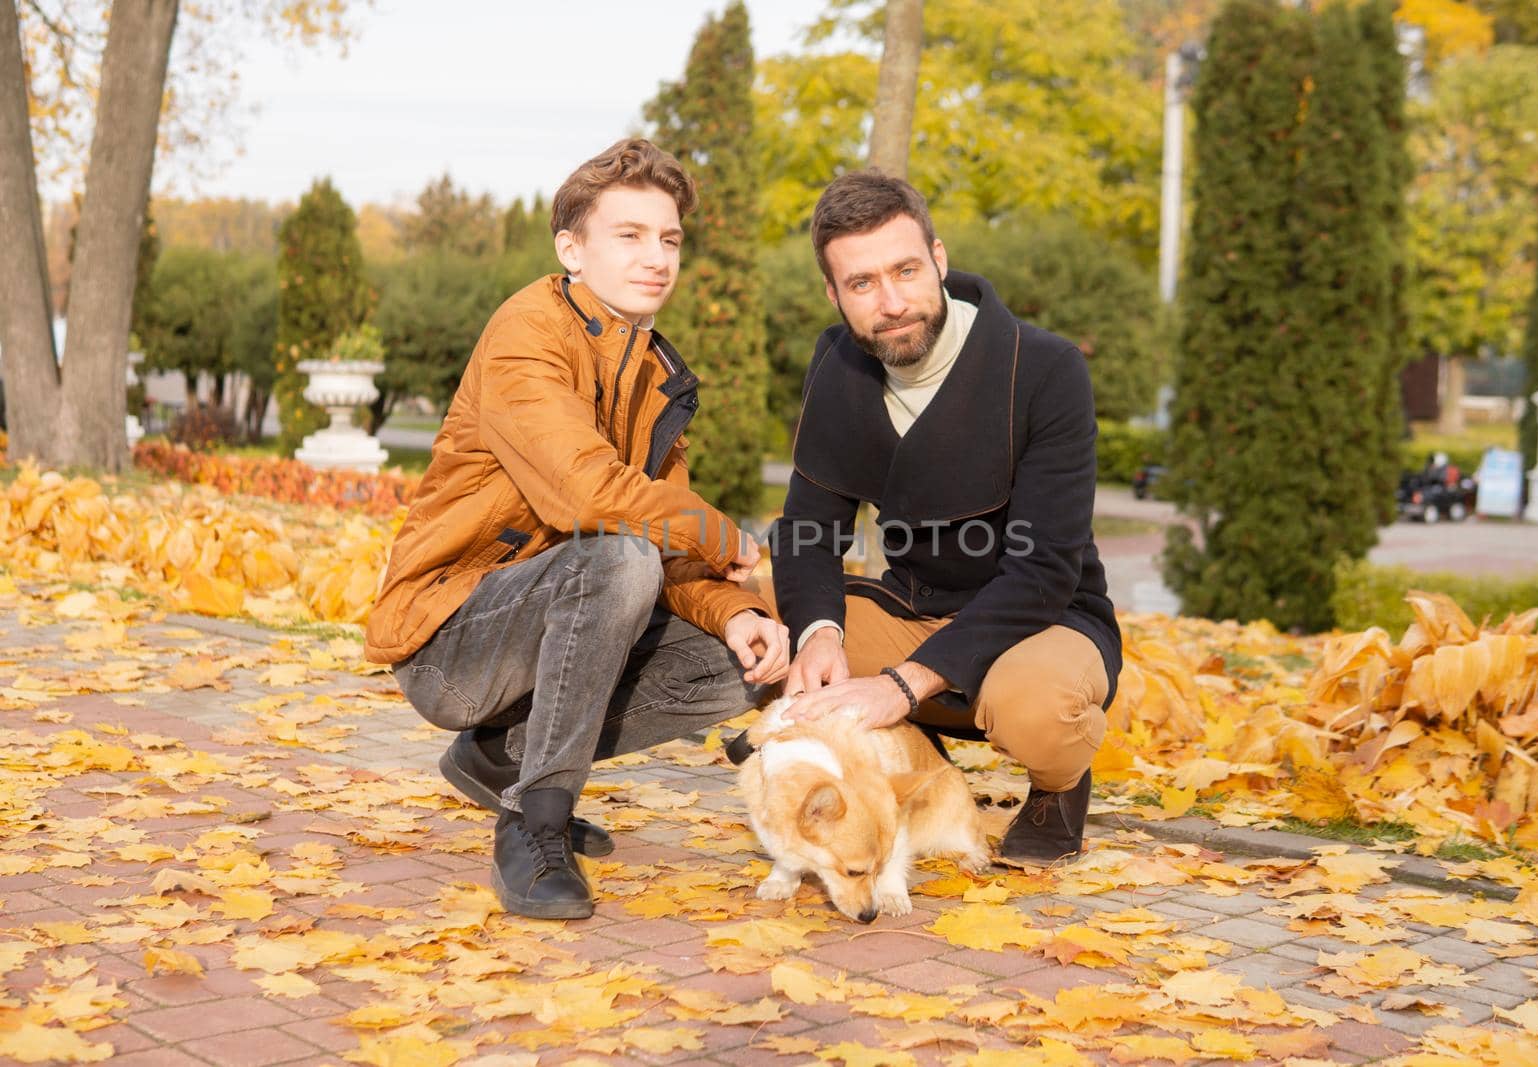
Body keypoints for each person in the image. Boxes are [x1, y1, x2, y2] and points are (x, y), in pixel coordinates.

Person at [364, 139, 788, 919]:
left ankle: (500, 758)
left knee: (750, 664)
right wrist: (725, 535)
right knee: (619, 557)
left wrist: (740, 614)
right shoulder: (528, 331)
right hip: (449, 636)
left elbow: (677, 555)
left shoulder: (656, 376)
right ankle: (534, 823)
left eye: (669, 239)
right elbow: (580, 493)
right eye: (628, 235)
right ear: (573, 248)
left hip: (559, 611)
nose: (656, 257)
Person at [760, 170, 1121, 865]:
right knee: (759, 621)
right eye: (862, 283)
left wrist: (903, 683)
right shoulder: (837, 365)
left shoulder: (1043, 368)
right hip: (912, 608)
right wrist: (819, 634)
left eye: (906, 270)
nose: (892, 302)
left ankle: (1059, 783)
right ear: (834, 295)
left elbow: (1045, 568)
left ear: (940, 259)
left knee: (1038, 709)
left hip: (1043, 619)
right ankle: (922, 777)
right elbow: (808, 533)